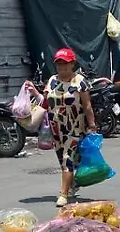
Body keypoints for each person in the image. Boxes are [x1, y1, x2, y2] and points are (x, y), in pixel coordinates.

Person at [28, 47, 96, 207]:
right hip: (56, 129)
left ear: (72, 64)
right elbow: (45, 102)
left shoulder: (80, 82)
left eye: (65, 64)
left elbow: (87, 106)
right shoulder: (52, 80)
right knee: (65, 161)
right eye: (59, 64)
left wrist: (92, 125)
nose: (62, 68)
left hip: (74, 129)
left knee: (67, 160)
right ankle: (72, 184)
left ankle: (63, 195)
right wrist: (34, 92)